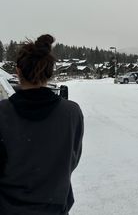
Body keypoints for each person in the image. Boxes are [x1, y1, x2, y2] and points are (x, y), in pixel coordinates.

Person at [0, 34, 84, 215]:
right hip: (54, 206)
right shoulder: (71, 113)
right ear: (50, 72)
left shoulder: (2, 113)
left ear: (18, 71)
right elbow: (72, 159)